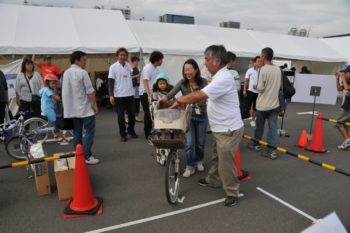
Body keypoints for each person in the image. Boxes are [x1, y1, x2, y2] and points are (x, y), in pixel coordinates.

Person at [170, 45, 244, 207]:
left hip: (228, 129)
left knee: (226, 162)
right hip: (220, 127)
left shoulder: (223, 78)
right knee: (217, 157)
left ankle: (232, 192)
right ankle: (214, 180)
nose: (205, 63)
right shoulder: (217, 76)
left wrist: (179, 101)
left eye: (207, 59)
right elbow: (207, 97)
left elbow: (200, 95)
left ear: (217, 61)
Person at [162, 59, 208, 178]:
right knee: (189, 143)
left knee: (200, 143)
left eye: (189, 69)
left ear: (196, 70)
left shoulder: (203, 82)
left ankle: (199, 161)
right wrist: (161, 101)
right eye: (185, 70)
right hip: (188, 117)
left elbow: (207, 95)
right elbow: (170, 94)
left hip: (202, 116)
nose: (187, 72)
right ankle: (190, 166)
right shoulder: (182, 83)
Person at [62, 51, 99, 165]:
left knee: (77, 132)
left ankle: (79, 155)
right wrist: (94, 104)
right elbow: (90, 91)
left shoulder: (66, 73)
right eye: (84, 60)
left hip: (72, 110)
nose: (85, 62)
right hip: (85, 108)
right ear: (77, 60)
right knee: (89, 132)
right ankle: (87, 156)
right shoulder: (82, 73)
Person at [248, 47, 281, 159]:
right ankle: (272, 151)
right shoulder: (277, 69)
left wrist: (254, 85)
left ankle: (256, 144)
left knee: (260, 126)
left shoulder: (263, 70)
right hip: (274, 103)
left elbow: (260, 88)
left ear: (264, 56)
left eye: (261, 56)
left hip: (262, 104)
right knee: (273, 128)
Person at [108, 48, 138, 142]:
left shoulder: (129, 65)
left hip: (129, 94)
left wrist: (129, 59)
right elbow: (110, 82)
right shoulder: (113, 67)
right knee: (121, 117)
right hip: (119, 95)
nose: (122, 56)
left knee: (132, 115)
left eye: (124, 55)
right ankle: (123, 134)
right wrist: (111, 95)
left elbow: (136, 72)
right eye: (121, 55)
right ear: (117, 56)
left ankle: (131, 130)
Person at [139, 51, 164, 140]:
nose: (162, 61)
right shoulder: (148, 68)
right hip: (145, 93)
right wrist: (148, 93)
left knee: (154, 112)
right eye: (161, 59)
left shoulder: (156, 68)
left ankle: (152, 130)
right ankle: (147, 132)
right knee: (148, 113)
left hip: (152, 93)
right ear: (157, 60)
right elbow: (145, 81)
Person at [40, 73, 66, 141]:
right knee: (55, 122)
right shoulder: (47, 90)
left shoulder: (44, 89)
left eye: (55, 83)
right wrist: (62, 98)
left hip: (45, 108)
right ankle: (59, 136)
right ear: (47, 83)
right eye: (52, 83)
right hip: (48, 109)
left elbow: (40, 93)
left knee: (52, 122)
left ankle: (55, 134)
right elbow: (56, 97)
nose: (54, 85)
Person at [243, 56, 262, 127]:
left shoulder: (262, 71)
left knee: (255, 107)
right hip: (250, 91)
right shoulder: (250, 70)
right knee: (246, 107)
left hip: (258, 92)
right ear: (254, 62)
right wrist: (244, 90)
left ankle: (253, 120)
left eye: (260, 61)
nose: (259, 63)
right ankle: (242, 119)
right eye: (258, 61)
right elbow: (246, 80)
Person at [335, 66, 350, 150]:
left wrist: (343, 78)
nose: (343, 74)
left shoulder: (346, 81)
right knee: (346, 125)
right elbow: (339, 89)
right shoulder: (347, 81)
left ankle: (347, 140)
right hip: (347, 106)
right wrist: (337, 79)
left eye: (345, 72)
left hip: (348, 108)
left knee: (338, 122)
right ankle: (348, 142)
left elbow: (347, 89)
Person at [131, 56, 142, 122]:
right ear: (132, 62)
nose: (136, 62)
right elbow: (128, 78)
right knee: (131, 103)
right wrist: (136, 76)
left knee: (137, 102)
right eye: (135, 61)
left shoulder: (139, 69)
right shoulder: (130, 69)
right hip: (131, 88)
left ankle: (137, 116)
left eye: (137, 61)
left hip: (138, 87)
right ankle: (128, 116)